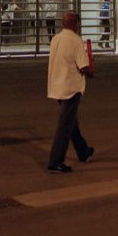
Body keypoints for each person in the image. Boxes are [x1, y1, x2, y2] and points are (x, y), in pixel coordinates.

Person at [44, 10, 95, 173]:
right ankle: (55, 161)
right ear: (76, 24)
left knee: (72, 123)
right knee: (65, 125)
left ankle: (83, 151)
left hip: (57, 85)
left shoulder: (55, 39)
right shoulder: (76, 40)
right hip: (71, 88)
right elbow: (83, 66)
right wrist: (91, 71)